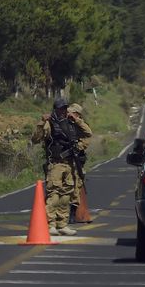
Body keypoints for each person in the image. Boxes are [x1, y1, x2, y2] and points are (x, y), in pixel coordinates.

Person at [31, 97, 92, 236]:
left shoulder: (71, 122)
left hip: (70, 164)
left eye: (65, 108)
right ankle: (50, 223)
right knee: (54, 194)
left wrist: (76, 121)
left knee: (66, 196)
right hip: (56, 164)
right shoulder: (49, 124)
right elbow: (35, 139)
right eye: (60, 109)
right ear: (55, 109)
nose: (63, 111)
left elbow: (88, 133)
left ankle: (62, 224)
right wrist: (41, 123)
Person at [67, 103, 92, 223]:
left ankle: (72, 213)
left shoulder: (81, 125)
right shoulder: (65, 123)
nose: (69, 114)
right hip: (64, 160)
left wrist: (78, 147)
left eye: (72, 112)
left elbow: (88, 134)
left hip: (77, 159)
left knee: (76, 187)